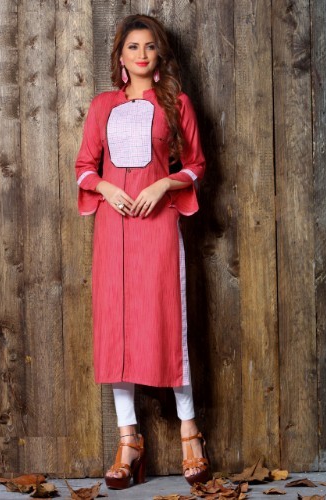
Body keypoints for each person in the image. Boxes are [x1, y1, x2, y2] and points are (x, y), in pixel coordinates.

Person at [74, 14, 211, 490]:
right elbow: (83, 166)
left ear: (159, 54)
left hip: (157, 225)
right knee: (116, 327)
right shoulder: (103, 106)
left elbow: (196, 165)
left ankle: (190, 431)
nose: (141, 54)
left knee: (167, 322)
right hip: (113, 228)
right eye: (132, 46)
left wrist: (164, 185)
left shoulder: (177, 104)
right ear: (120, 55)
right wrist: (106, 189)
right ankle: (128, 439)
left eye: (149, 46)